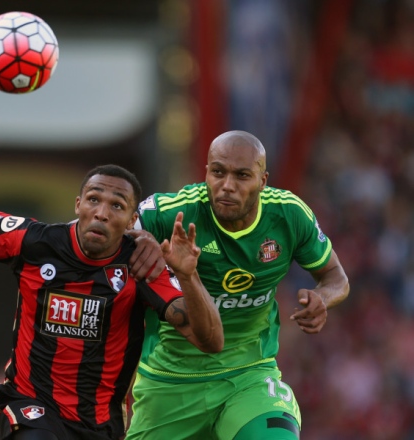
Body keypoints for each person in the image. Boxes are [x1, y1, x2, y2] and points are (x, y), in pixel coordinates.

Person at [0, 164, 224, 440]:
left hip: (98, 425)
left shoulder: (141, 264)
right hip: (29, 408)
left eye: (116, 205)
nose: (101, 212)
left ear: (132, 219)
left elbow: (210, 340)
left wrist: (189, 277)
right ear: (78, 203)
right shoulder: (34, 242)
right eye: (94, 199)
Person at [125, 131, 350, 439]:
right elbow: (101, 232)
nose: (227, 186)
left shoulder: (289, 215)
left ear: (262, 180)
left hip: (249, 375)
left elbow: (336, 278)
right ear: (206, 172)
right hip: (170, 380)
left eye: (242, 175)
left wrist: (323, 297)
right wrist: (138, 240)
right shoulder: (170, 212)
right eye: (218, 172)